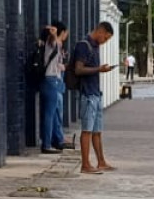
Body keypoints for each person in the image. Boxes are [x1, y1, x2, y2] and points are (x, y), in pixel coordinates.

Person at [70, 21, 117, 173]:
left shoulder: (95, 47)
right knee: (87, 130)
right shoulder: (84, 45)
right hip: (87, 94)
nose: (105, 42)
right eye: (106, 38)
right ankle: (85, 164)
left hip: (95, 93)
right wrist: (99, 69)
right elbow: (78, 69)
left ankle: (101, 161)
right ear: (100, 32)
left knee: (97, 131)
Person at [39, 21, 68, 153]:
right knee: (50, 114)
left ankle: (50, 141)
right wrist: (54, 32)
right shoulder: (53, 43)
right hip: (51, 80)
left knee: (51, 114)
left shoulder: (50, 45)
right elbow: (53, 38)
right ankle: (46, 144)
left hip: (48, 80)